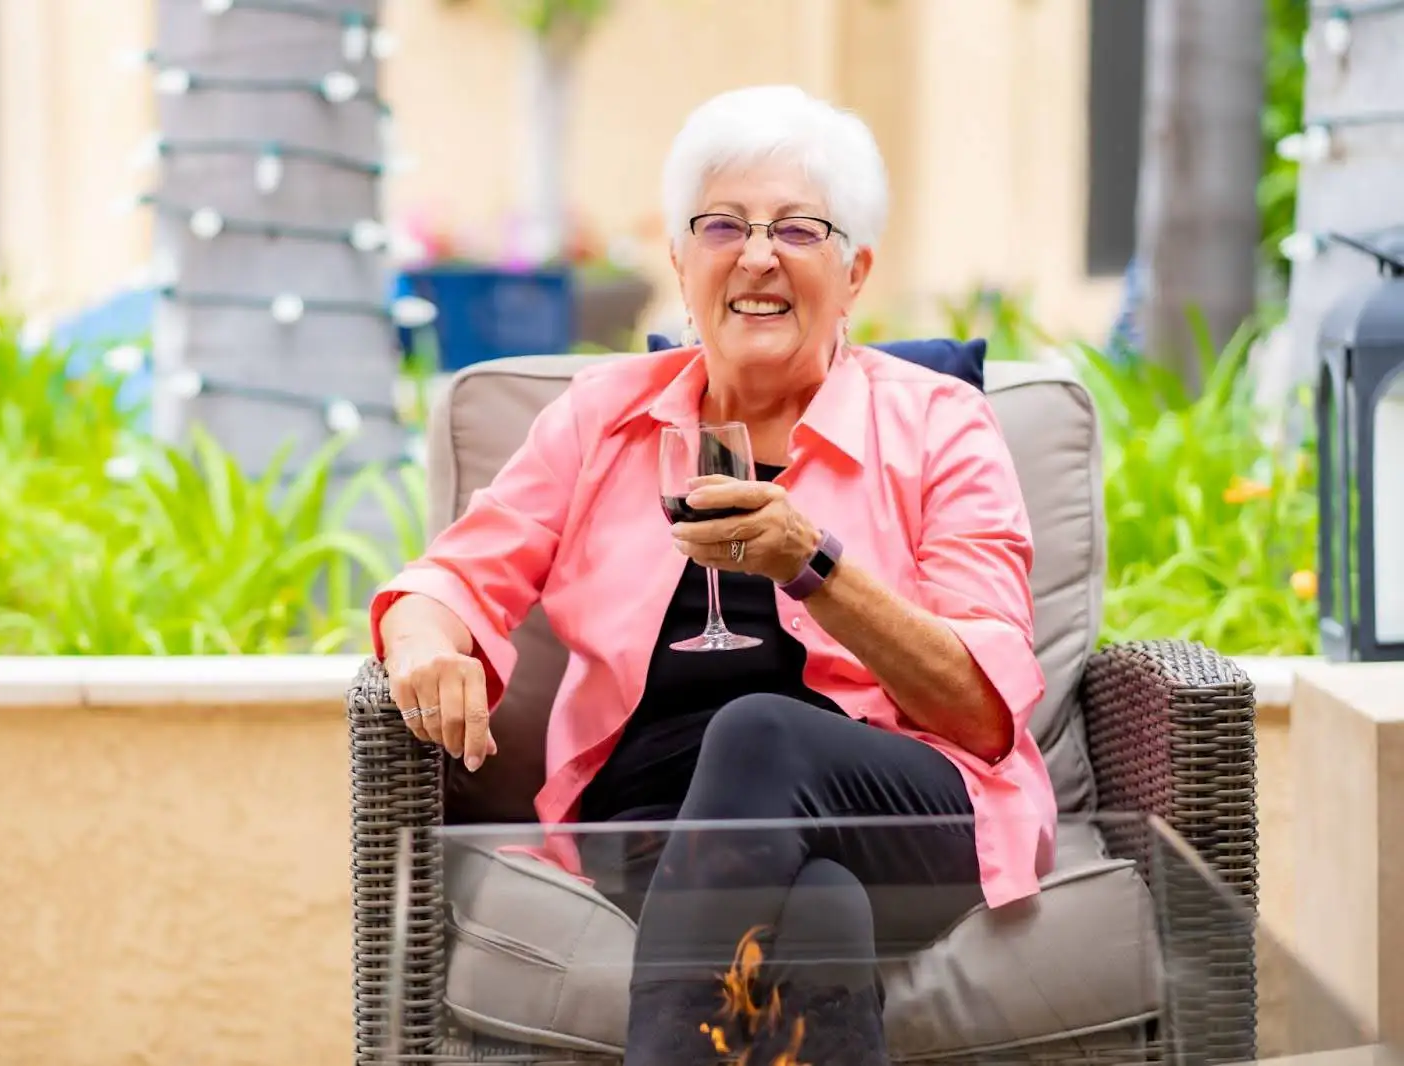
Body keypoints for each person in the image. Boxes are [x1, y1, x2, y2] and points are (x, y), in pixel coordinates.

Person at [369, 85, 1056, 1065]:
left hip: (906, 806)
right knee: (821, 911)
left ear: (855, 271)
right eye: (724, 224)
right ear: (682, 264)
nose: (758, 254)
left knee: (762, 731)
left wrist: (810, 564)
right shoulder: (601, 418)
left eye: (799, 229)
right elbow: (450, 580)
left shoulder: (941, 424)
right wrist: (423, 641)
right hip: (651, 823)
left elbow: (983, 711)